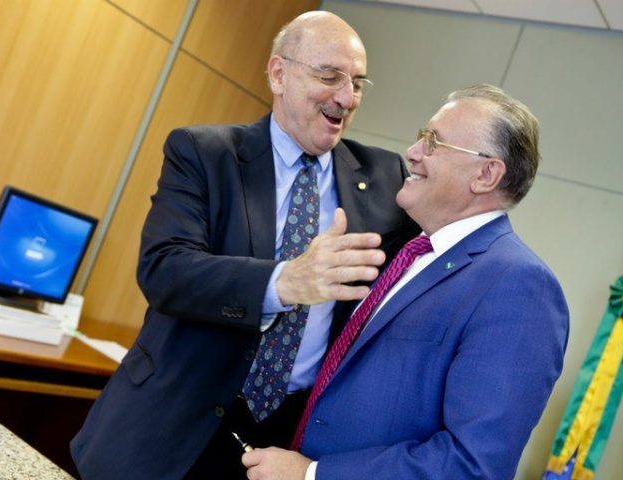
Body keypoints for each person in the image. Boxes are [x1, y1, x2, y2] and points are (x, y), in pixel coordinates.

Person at [70, 10, 419, 480]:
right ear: (279, 74)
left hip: (279, 443)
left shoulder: (384, 177)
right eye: (329, 76)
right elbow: (164, 269)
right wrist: (284, 282)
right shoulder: (204, 153)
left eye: (357, 83)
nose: (346, 97)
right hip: (167, 423)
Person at [241, 84, 570, 480]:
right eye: (420, 137)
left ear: (485, 174)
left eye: (434, 142)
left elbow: (473, 464)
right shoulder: (406, 252)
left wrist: (314, 474)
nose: (413, 152)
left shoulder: (520, 286)